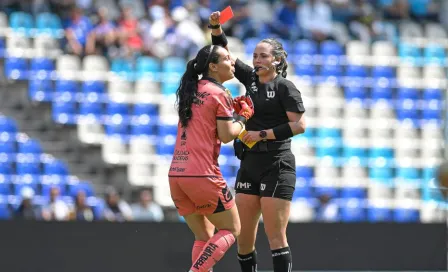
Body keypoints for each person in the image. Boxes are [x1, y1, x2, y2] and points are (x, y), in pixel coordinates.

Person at [209, 11, 306, 272]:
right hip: (250, 163)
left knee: (275, 237)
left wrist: (262, 134)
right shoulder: (251, 79)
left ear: (276, 60)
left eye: (263, 56)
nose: (257, 60)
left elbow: (299, 125)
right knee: (243, 237)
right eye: (254, 56)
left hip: (277, 164)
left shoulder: (285, 87)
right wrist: (215, 26)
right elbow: (223, 52)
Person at [168, 44, 255, 272]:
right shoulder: (218, 93)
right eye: (227, 58)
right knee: (232, 229)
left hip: (177, 175)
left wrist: (231, 111)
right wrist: (243, 117)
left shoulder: (192, 88)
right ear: (213, 66)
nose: (233, 62)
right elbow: (227, 135)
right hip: (202, 174)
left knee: (204, 236)